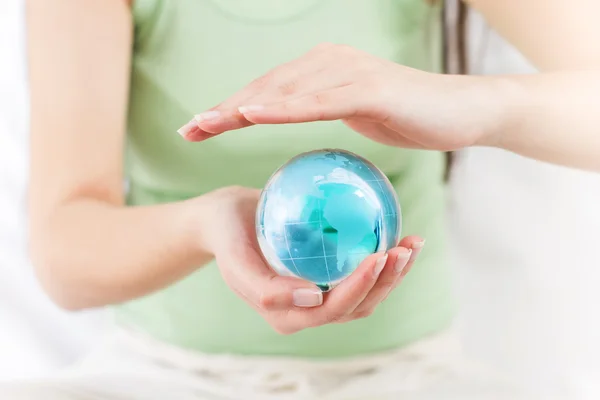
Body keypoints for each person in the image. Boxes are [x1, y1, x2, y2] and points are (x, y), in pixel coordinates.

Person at [4, 0, 598, 399]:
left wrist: (476, 106)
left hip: (410, 378)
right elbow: (64, 253)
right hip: (162, 376)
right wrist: (205, 225)